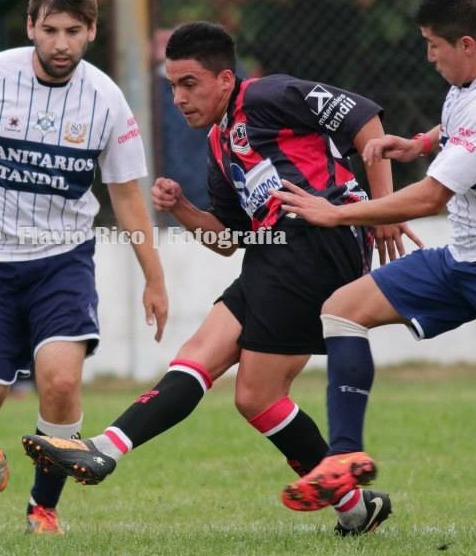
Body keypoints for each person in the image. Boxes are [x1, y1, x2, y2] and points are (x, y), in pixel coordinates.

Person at [22, 20, 421, 536]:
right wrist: (184, 209)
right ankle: (106, 449)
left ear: (226, 79)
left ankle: (106, 449)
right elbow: (229, 238)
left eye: (189, 84)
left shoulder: (269, 96)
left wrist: (382, 207)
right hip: (271, 252)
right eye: (171, 86)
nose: (178, 98)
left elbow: (365, 119)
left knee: (255, 392)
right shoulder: (217, 146)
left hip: (320, 241)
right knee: (201, 359)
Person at [265, 0, 476, 515]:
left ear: (466, 46)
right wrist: (420, 143)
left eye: (433, 45)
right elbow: (457, 136)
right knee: (342, 309)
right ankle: (344, 456)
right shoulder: (461, 90)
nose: (428, 57)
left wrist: (337, 214)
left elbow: (430, 199)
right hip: (461, 262)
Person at [0, 0, 168, 534]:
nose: (60, 43)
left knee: (61, 381)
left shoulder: (106, 100)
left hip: (62, 262)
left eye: (73, 31)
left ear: (93, 31)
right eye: (49, 30)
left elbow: (127, 195)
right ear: (30, 26)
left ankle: (43, 509)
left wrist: (154, 275)